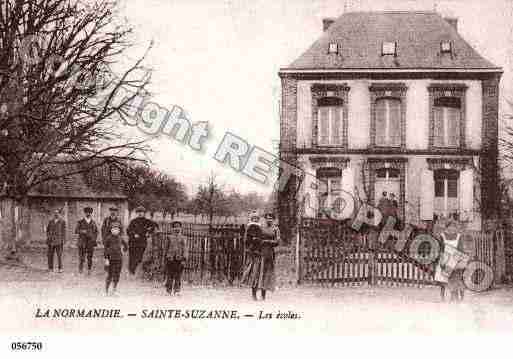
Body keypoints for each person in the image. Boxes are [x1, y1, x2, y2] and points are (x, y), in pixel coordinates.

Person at [101, 206, 127, 296]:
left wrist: (124, 249)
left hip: (119, 258)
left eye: (115, 211)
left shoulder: (120, 237)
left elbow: (125, 245)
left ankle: (115, 290)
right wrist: (106, 259)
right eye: (111, 210)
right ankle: (106, 290)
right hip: (110, 258)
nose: (113, 212)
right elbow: (106, 249)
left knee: (117, 275)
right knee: (109, 275)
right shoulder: (106, 222)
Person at [127, 206, 158, 276]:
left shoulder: (147, 221)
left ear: (144, 213)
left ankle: (134, 269)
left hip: (142, 242)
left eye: (142, 212)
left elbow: (154, 226)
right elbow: (128, 231)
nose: (140, 213)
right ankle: (131, 271)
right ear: (136, 213)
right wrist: (134, 234)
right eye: (138, 212)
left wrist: (149, 232)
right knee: (132, 257)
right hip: (133, 242)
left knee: (139, 257)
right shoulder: (133, 221)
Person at [241, 213, 265, 300]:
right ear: (251, 219)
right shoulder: (250, 227)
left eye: (256, 218)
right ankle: (253, 293)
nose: (255, 219)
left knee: (260, 273)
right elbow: (246, 240)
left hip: (260, 252)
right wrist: (252, 243)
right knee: (253, 272)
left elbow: (262, 238)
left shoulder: (260, 227)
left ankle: (262, 294)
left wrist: (259, 240)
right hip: (253, 252)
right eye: (253, 218)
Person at [164, 221, 188, 295]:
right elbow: (166, 248)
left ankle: (177, 290)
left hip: (179, 259)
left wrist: (184, 259)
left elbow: (185, 249)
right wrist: (166, 257)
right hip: (170, 259)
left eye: (178, 227)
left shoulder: (183, 238)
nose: (176, 229)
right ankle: (168, 291)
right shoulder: (169, 237)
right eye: (175, 227)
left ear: (181, 228)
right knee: (169, 275)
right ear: (172, 228)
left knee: (178, 275)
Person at [75, 207, 99, 275]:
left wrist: (94, 238)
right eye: (86, 212)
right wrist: (83, 231)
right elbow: (76, 230)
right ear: (84, 213)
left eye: (89, 212)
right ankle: (80, 269)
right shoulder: (80, 222)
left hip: (90, 243)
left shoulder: (93, 222)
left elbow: (96, 232)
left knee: (90, 257)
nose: (88, 213)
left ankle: (89, 270)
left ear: (91, 213)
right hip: (82, 242)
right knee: (81, 257)